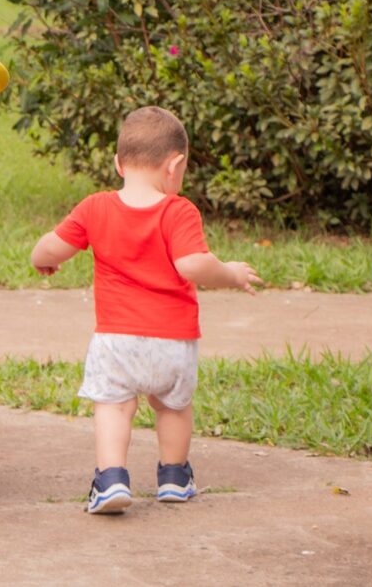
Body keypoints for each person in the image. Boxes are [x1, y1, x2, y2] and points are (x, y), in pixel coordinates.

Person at [29, 106, 262, 514]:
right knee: (172, 406)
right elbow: (192, 264)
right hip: (173, 342)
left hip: (117, 340)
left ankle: (111, 479)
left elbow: (48, 248)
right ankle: (173, 476)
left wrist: (42, 259)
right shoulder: (178, 211)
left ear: (118, 163)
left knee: (115, 405)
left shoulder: (95, 207)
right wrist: (229, 272)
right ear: (176, 165)